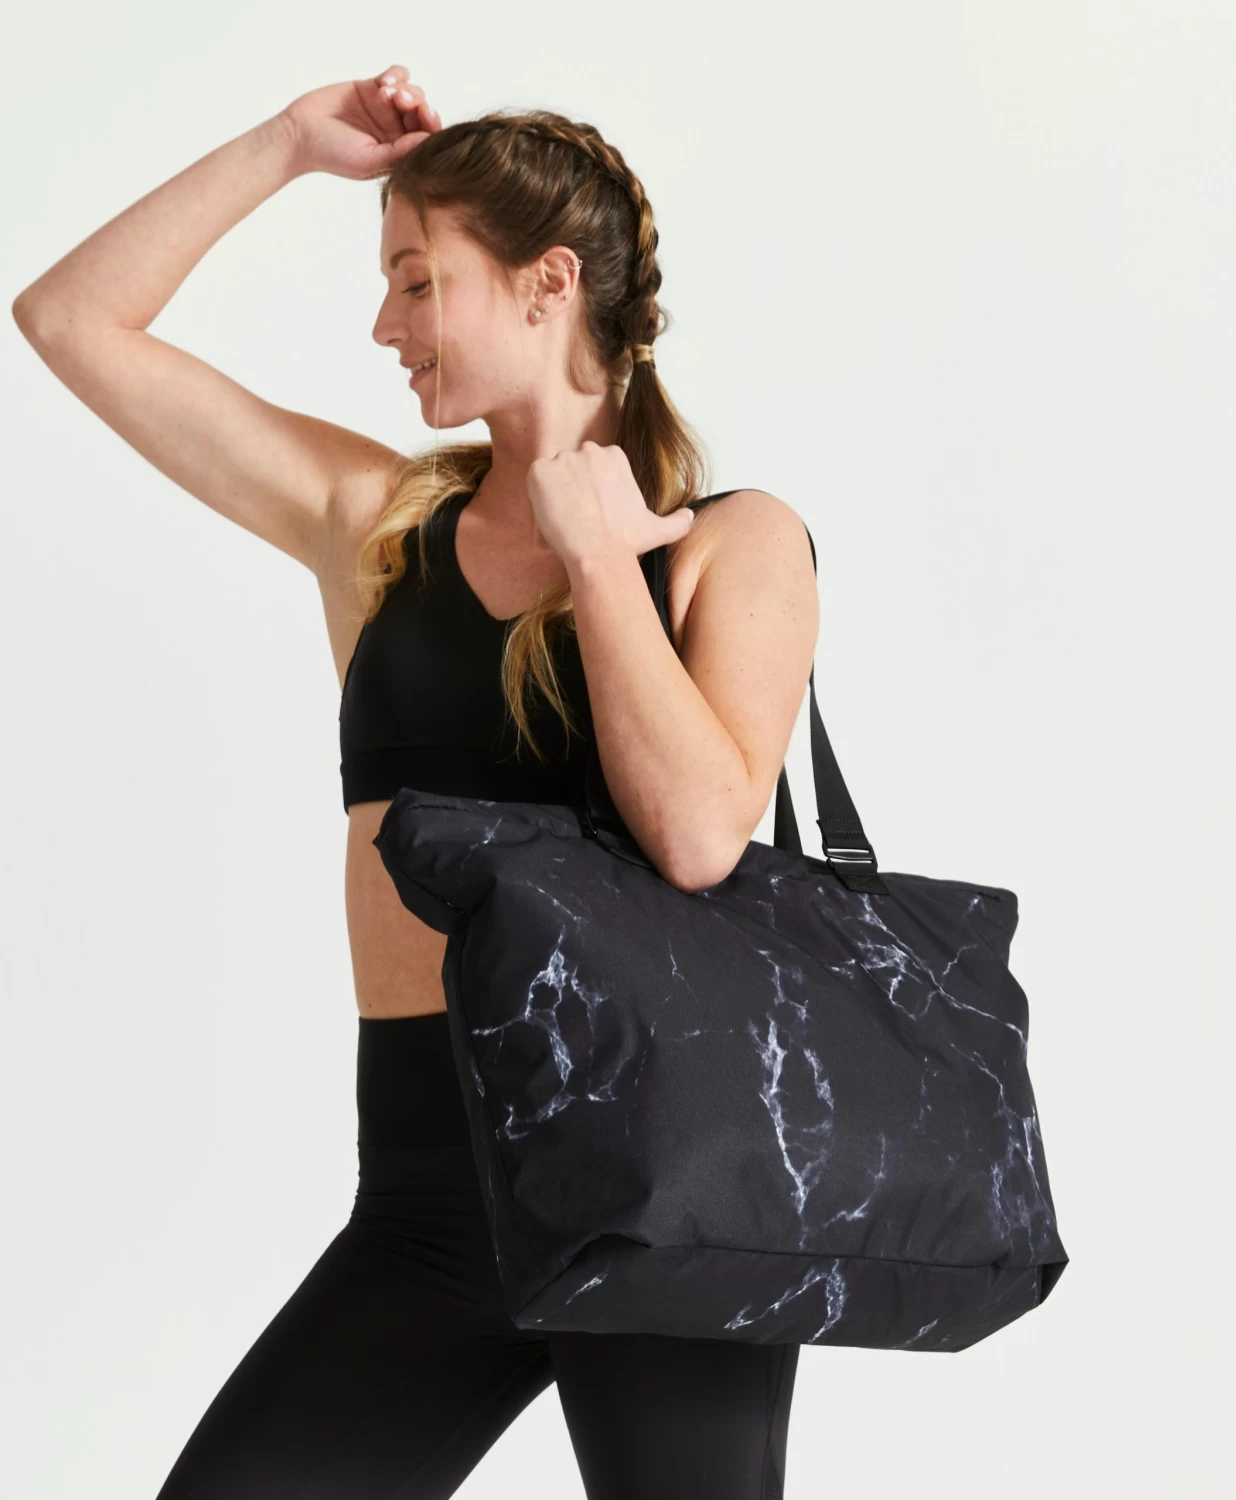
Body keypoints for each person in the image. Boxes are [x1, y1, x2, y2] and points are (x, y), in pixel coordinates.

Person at [13, 62, 817, 1500]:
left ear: (546, 283)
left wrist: (597, 559)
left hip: (662, 1190)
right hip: (428, 1206)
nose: (385, 325)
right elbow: (68, 321)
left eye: (416, 281)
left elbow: (700, 835)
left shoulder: (729, 542)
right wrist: (283, 144)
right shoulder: (379, 530)